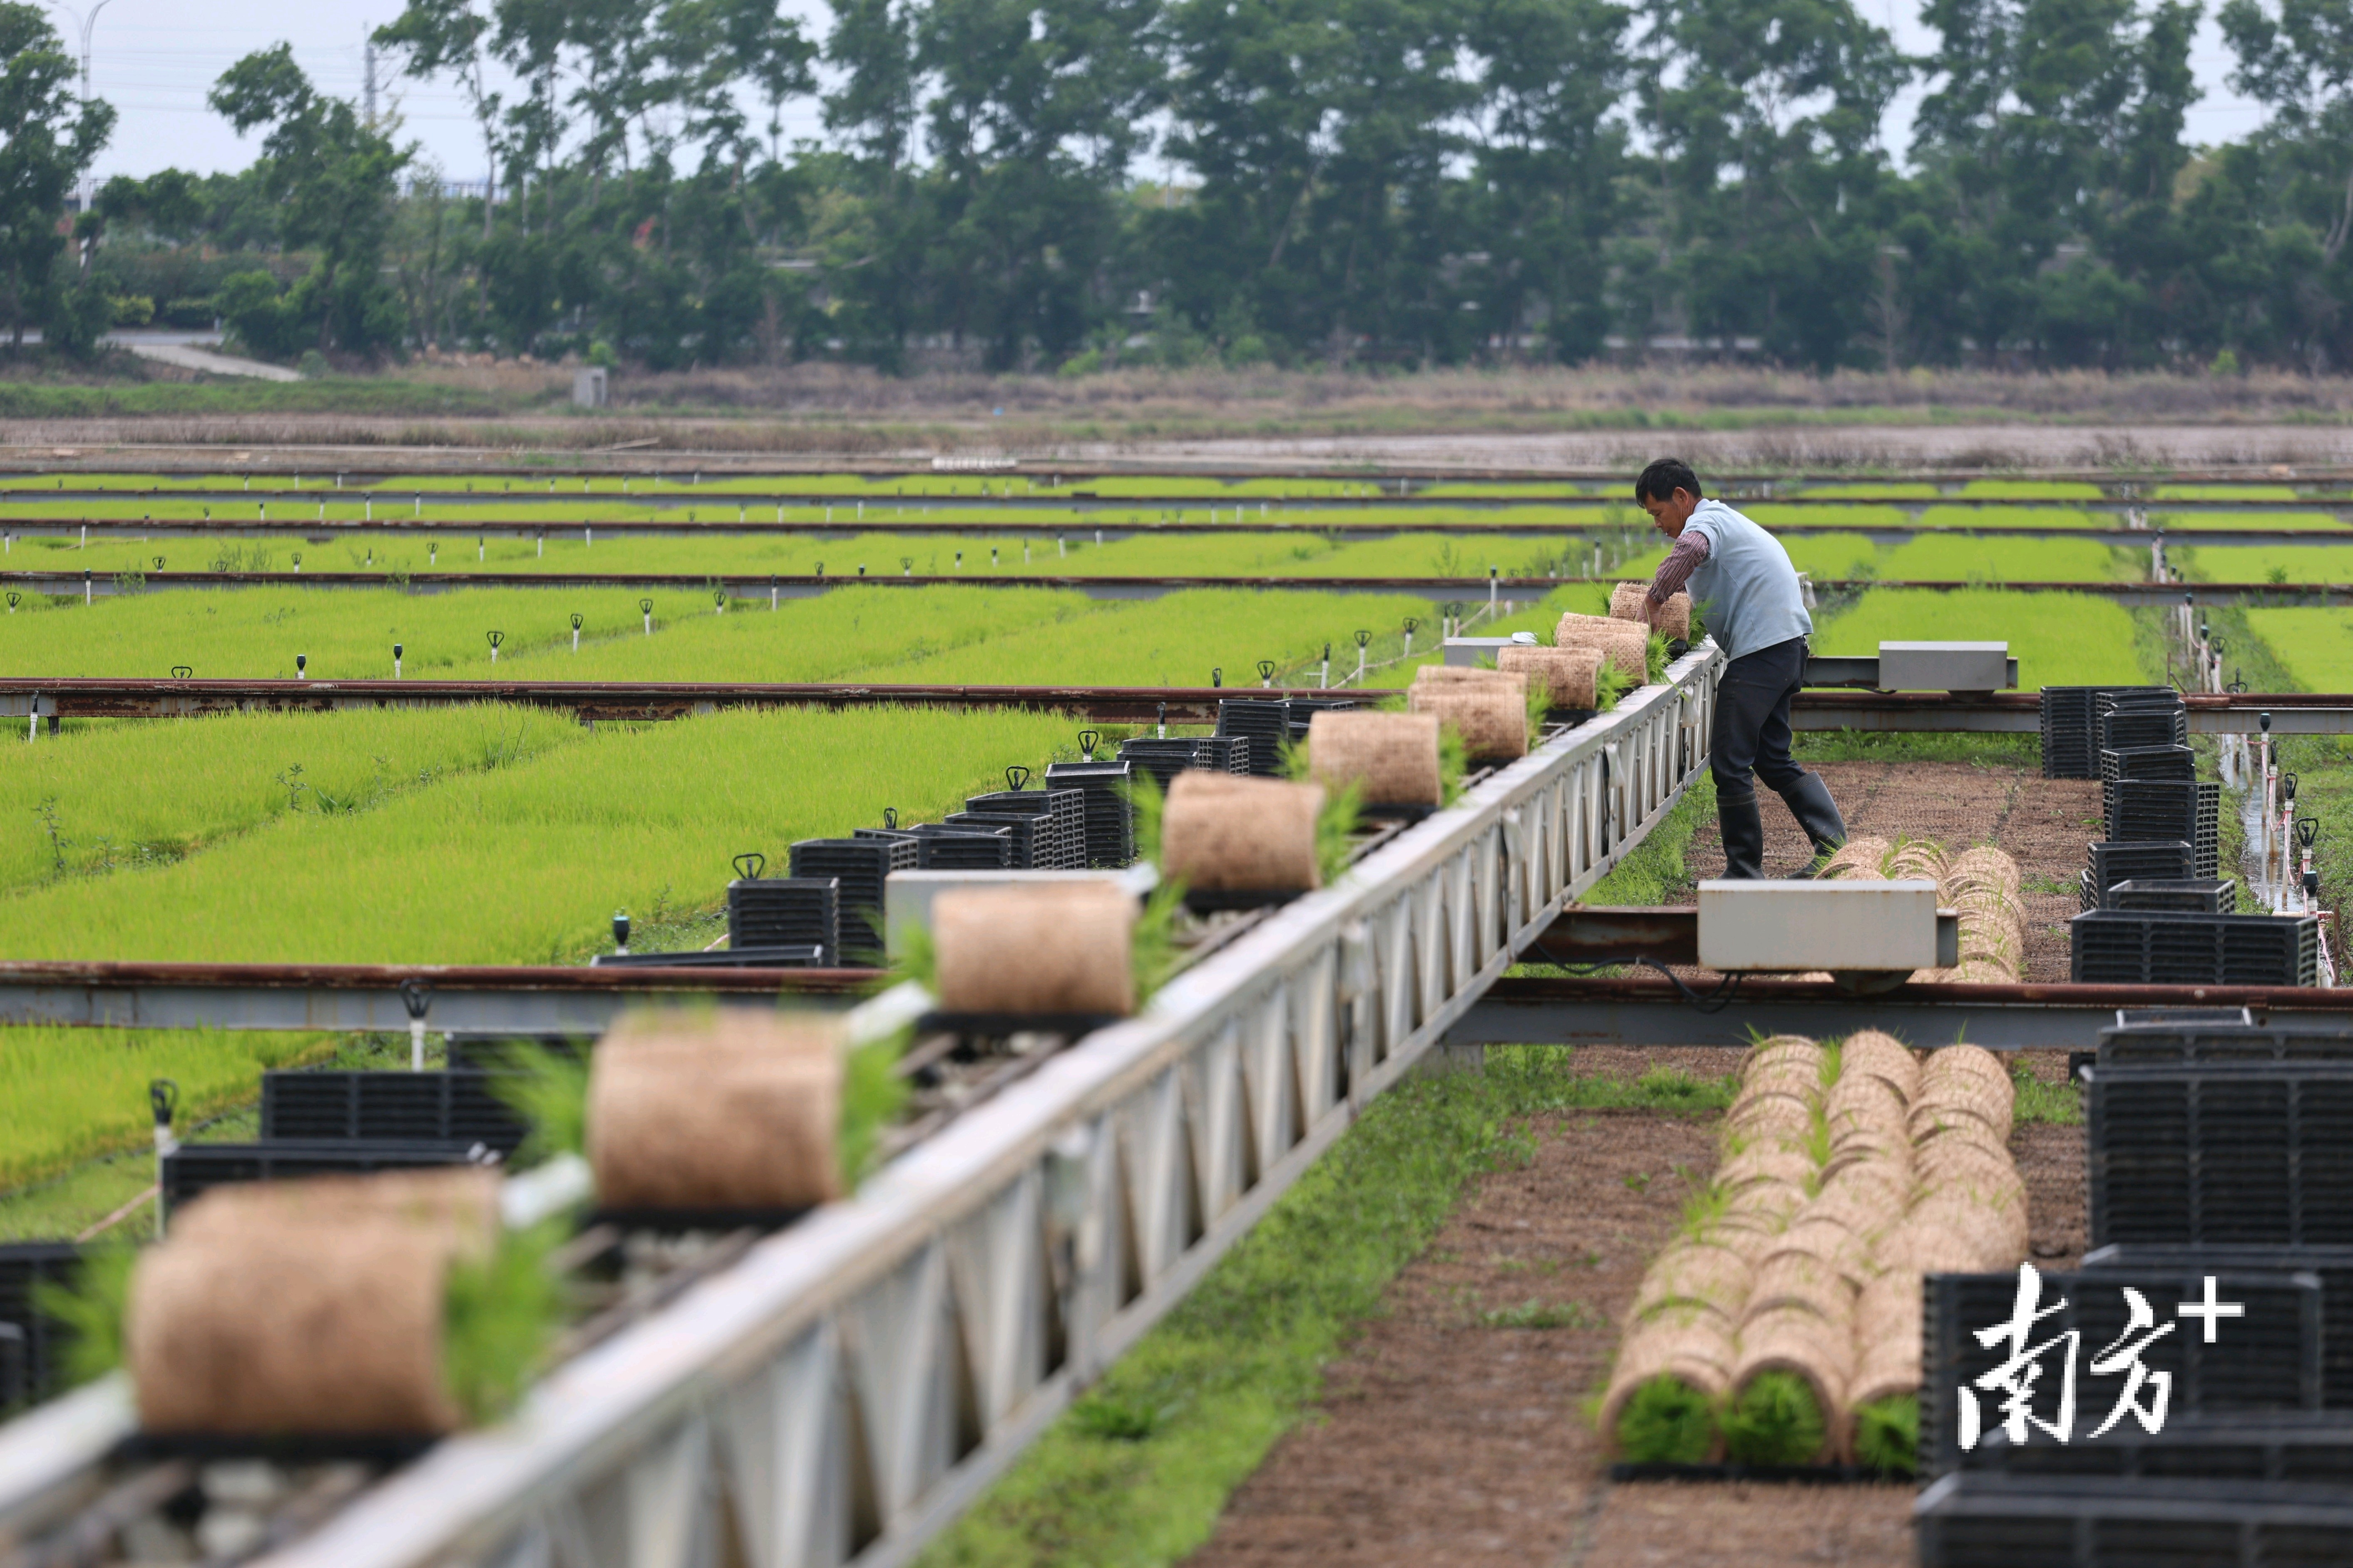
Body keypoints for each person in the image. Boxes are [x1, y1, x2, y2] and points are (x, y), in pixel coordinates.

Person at [1633, 457, 1846, 878]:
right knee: (1771, 757)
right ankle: (1834, 849)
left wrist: (1653, 600)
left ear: (1681, 497)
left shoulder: (1705, 523)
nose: (1657, 525)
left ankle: (1744, 871)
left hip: (1762, 652)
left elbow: (1691, 550)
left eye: (1658, 513)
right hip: (1784, 648)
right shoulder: (1723, 520)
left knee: (1730, 761)